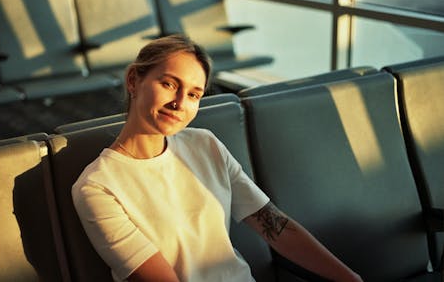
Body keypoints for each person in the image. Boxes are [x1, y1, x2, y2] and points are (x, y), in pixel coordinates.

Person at [72, 34, 362, 282]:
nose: (179, 104)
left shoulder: (204, 144)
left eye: (194, 94)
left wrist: (351, 279)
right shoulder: (98, 187)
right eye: (169, 84)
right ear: (134, 80)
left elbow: (276, 228)